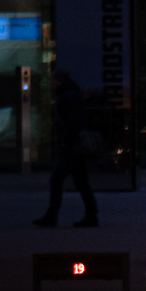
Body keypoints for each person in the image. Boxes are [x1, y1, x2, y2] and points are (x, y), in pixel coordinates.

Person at [33, 68, 98, 228]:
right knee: (81, 182)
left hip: (70, 147)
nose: (53, 82)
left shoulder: (66, 97)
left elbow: (71, 123)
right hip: (75, 146)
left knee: (57, 180)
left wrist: (65, 142)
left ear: (61, 81)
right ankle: (91, 215)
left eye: (55, 80)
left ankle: (52, 215)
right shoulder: (72, 95)